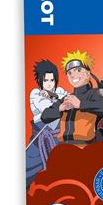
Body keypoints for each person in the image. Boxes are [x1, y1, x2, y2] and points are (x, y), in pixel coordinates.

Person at [42, 50, 103, 147]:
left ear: (88, 74)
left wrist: (80, 104)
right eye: (69, 73)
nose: (72, 75)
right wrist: (60, 108)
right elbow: (44, 116)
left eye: (78, 70)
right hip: (63, 148)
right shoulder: (66, 98)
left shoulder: (94, 93)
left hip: (85, 147)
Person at [26, 60, 68, 188]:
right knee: (27, 171)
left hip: (58, 139)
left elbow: (69, 99)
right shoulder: (35, 93)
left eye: (52, 80)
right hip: (39, 139)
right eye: (45, 80)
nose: (49, 84)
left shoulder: (60, 91)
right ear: (40, 81)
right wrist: (60, 101)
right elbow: (48, 109)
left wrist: (51, 95)